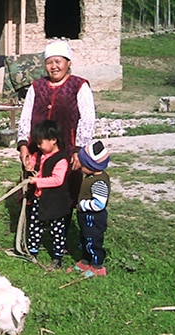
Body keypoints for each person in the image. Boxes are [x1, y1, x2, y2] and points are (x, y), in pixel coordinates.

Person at [17, 39, 96, 222]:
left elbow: (88, 119)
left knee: (65, 191)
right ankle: (33, 232)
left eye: (58, 61)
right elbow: (26, 117)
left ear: (68, 63)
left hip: (67, 150)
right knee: (34, 186)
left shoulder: (79, 86)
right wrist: (23, 144)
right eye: (49, 62)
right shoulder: (37, 87)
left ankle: (60, 234)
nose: (54, 66)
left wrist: (79, 149)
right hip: (37, 149)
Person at [25, 120, 72, 269]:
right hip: (40, 198)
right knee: (34, 225)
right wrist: (30, 164)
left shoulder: (61, 159)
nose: (38, 146)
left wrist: (37, 181)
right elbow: (34, 160)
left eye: (41, 143)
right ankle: (32, 251)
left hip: (55, 201)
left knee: (57, 229)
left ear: (53, 140)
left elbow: (57, 180)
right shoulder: (41, 154)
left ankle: (58, 257)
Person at [74, 140, 111, 277]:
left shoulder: (99, 182)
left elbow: (99, 204)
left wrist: (83, 204)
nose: (81, 166)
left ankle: (97, 265)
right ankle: (85, 260)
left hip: (93, 217)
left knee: (93, 240)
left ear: (92, 166)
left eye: (83, 164)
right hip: (86, 216)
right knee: (84, 238)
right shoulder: (91, 176)